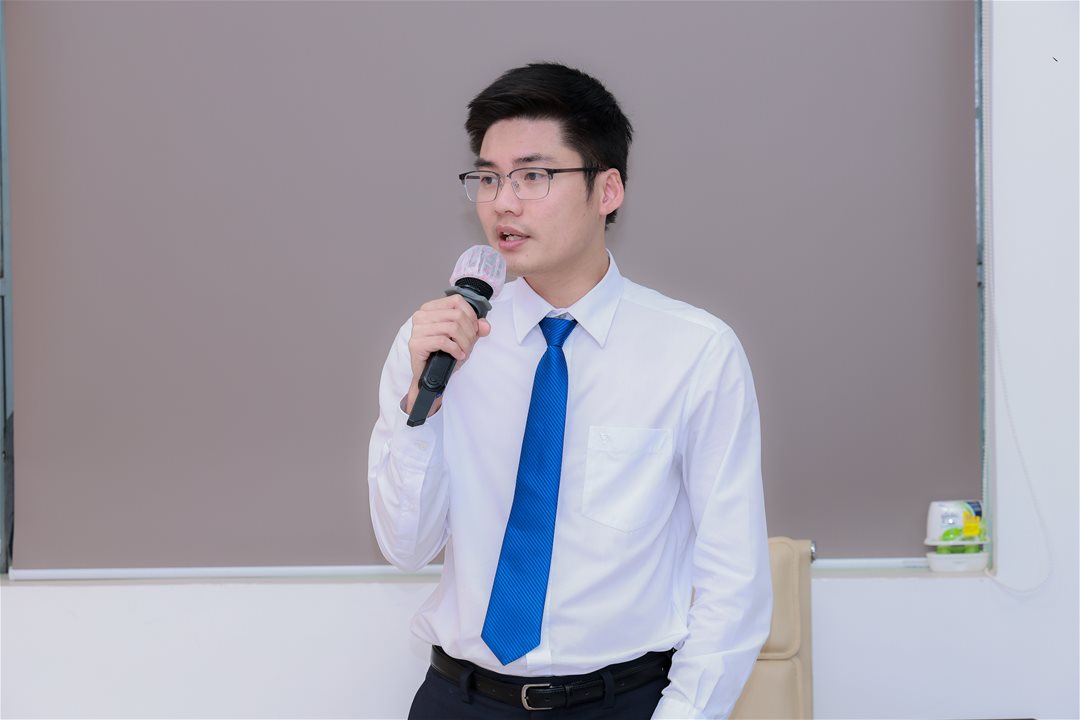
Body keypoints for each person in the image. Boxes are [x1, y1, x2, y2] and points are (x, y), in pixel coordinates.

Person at [369, 63, 771, 719]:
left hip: (620, 701)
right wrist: (424, 404)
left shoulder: (695, 352)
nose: (503, 202)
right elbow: (405, 547)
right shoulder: (438, 341)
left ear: (607, 189)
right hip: (458, 699)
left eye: (533, 176)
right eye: (488, 177)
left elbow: (735, 581)